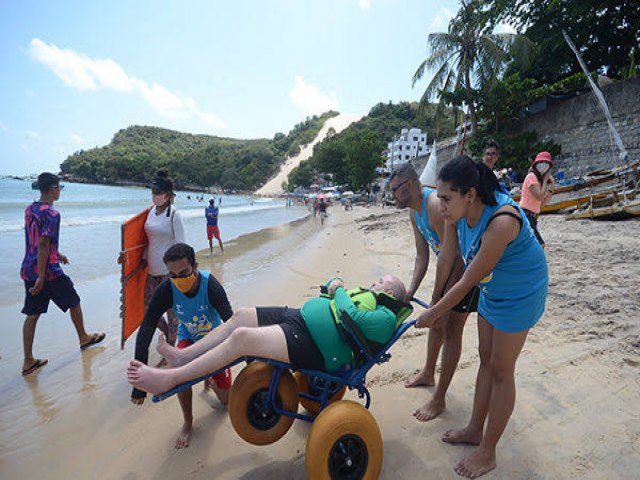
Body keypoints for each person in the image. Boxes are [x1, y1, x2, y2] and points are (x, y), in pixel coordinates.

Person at [417, 156, 548, 478]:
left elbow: (466, 281)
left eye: (446, 198)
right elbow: (448, 257)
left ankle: (487, 452)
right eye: (439, 197)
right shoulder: (455, 214)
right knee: (485, 359)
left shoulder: (502, 220)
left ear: (470, 194)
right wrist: (434, 302)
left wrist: (435, 313)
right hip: (493, 290)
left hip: (521, 292)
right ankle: (475, 429)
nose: (440, 205)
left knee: (502, 369)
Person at [127, 274, 411, 397]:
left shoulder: (385, 317)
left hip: (318, 346)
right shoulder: (368, 298)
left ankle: (171, 379)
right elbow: (333, 297)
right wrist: (332, 288)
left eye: (379, 282)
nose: (373, 282)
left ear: (389, 293)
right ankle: (182, 355)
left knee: (242, 338)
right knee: (241, 315)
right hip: (301, 318)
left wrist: (338, 290)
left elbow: (352, 317)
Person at [389, 164, 479, 421]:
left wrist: (438, 298)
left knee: (451, 328)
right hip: (449, 267)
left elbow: (455, 256)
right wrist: (411, 290)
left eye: (395, 190)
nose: (392, 195)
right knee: (436, 323)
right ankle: (429, 372)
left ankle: (439, 399)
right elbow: (422, 255)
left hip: (467, 269)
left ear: (408, 186)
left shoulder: (433, 207)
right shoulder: (414, 213)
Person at [131, 243, 233, 449]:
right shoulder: (167, 289)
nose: (179, 279)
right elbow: (146, 329)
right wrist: (138, 387)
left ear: (195, 266)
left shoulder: (210, 286)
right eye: (173, 275)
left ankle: (211, 380)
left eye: (184, 272)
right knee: (180, 375)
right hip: (188, 337)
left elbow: (231, 322)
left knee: (225, 404)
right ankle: (187, 422)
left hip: (214, 339)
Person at [20, 173, 105, 376]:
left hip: (28, 269)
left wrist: (58, 253)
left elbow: (37, 240)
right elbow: (43, 243)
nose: (59, 191)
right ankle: (84, 337)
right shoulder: (52, 214)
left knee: (32, 315)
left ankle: (28, 361)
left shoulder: (30, 209)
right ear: (51, 189)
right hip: (48, 273)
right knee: (74, 301)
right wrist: (42, 276)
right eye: (58, 187)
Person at [143, 169, 184, 348]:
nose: (155, 196)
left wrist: (181, 274)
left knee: (172, 313)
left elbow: (182, 245)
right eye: (153, 192)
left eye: (158, 193)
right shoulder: (150, 212)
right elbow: (145, 240)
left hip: (168, 274)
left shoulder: (175, 215)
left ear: (167, 195)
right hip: (151, 271)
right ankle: (168, 334)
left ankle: (171, 349)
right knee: (148, 310)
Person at [519, 151, 555, 248]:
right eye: (541, 163)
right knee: (540, 244)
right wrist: (545, 181)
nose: (544, 166)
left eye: (546, 164)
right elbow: (539, 196)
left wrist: (551, 186)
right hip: (526, 215)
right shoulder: (531, 177)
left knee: (530, 245)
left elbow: (542, 204)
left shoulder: (539, 181)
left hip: (534, 217)